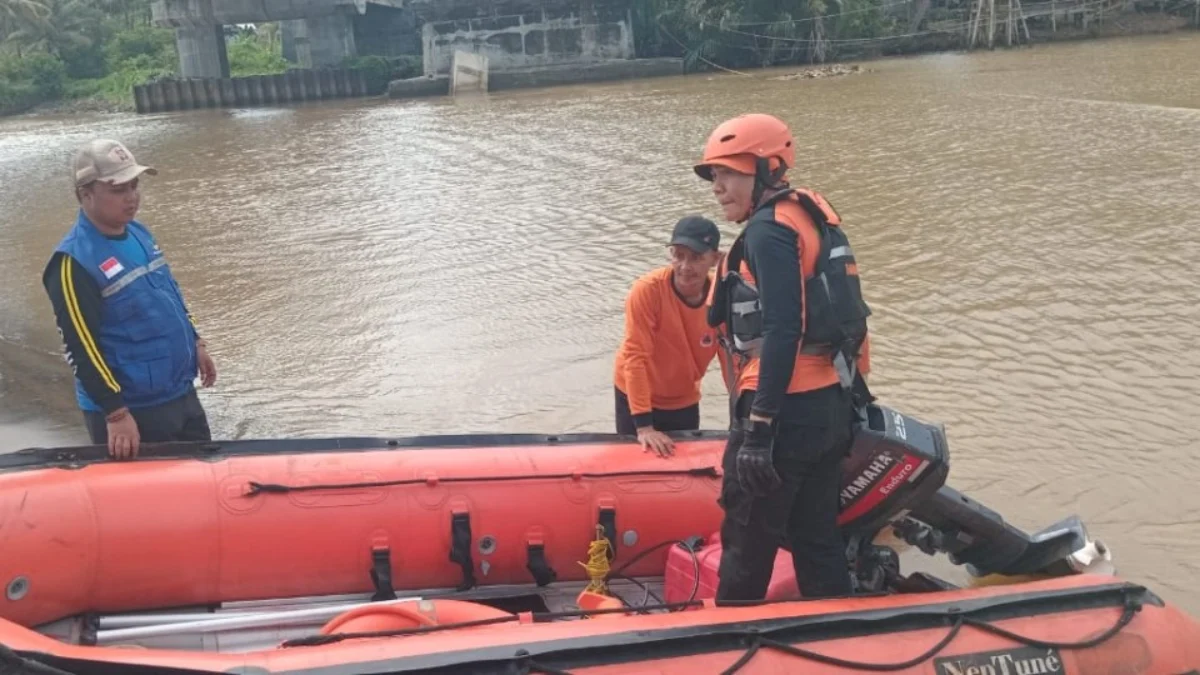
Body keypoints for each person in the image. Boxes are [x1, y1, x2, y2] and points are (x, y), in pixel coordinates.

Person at [697, 113, 874, 600]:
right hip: (826, 409)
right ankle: (836, 638)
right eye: (715, 175)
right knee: (817, 541)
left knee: (746, 548)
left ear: (769, 167)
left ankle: (732, 644)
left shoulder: (768, 231)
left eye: (729, 172)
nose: (718, 186)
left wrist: (759, 428)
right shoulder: (811, 216)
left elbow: (782, 327)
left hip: (782, 415)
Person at [42, 139, 217, 460]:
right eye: (119, 189)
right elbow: (81, 349)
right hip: (135, 410)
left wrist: (196, 340)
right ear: (86, 195)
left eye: (134, 185)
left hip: (179, 393)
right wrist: (116, 414)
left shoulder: (139, 232)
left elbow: (169, 292)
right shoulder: (73, 263)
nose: (132, 196)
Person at [613, 215, 724, 457]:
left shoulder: (723, 296)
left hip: (682, 398)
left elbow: (731, 363)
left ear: (715, 259)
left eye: (696, 258)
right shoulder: (647, 291)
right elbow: (635, 358)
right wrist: (644, 427)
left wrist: (741, 420)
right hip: (636, 394)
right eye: (678, 255)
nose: (685, 266)